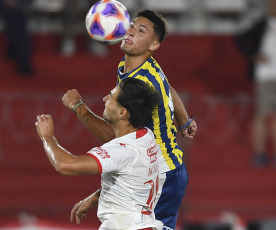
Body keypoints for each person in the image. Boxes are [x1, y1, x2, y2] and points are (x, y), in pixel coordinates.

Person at [62, 9, 197, 230]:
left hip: (161, 174)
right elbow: (168, 86)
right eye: (132, 25)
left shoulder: (143, 81)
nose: (132, 30)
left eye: (141, 30)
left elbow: (113, 136)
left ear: (153, 46)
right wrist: (183, 121)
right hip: (154, 169)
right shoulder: (136, 67)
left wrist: (78, 107)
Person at [36, 78, 164, 230]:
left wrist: (47, 137)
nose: (105, 98)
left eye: (111, 96)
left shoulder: (124, 150)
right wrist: (96, 197)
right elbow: (129, 176)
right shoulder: (146, 137)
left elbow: (64, 165)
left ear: (122, 112)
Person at [235, 0, 276, 167]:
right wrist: (253, 55)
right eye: (273, 5)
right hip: (266, 76)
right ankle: (259, 153)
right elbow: (240, 40)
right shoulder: (263, 25)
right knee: (262, 114)